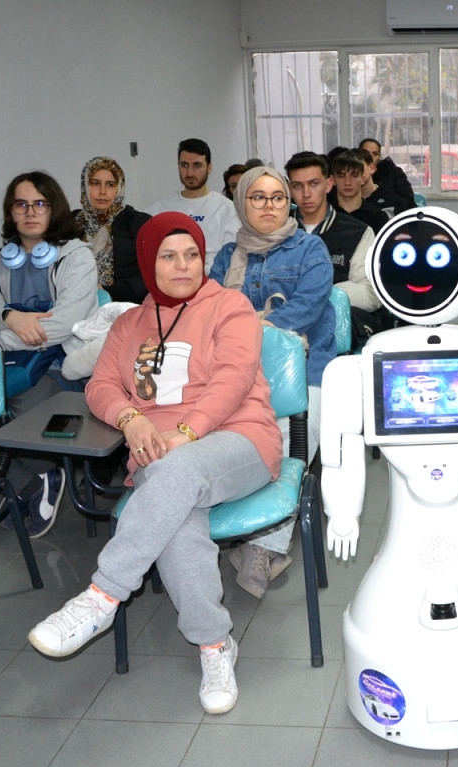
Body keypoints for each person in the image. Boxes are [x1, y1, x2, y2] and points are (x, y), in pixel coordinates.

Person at [27, 213, 281, 715]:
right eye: (168, 256)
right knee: (179, 522)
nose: (183, 266)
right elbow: (99, 386)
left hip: (238, 439)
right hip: (157, 454)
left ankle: (102, 596)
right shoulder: (128, 324)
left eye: (191, 255)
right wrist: (131, 420)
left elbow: (233, 378)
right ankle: (215, 645)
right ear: (148, 262)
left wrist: (185, 432)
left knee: (174, 473)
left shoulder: (230, 306)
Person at [211, 166, 334, 598]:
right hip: (239, 372)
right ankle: (239, 527)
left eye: (278, 198)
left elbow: (306, 309)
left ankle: (261, 545)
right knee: (223, 438)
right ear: (242, 203)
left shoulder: (310, 249)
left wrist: (245, 329)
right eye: (257, 198)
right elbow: (209, 314)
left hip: (304, 370)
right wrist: (248, 333)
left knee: (295, 437)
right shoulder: (228, 256)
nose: (269, 206)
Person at [0, 171, 98, 537]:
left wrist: (2, 337)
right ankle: (33, 479)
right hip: (5, 367)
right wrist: (8, 316)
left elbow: (65, 325)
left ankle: (37, 471)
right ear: (10, 212)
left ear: (54, 208)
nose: (30, 212)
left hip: (61, 366)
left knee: (26, 410)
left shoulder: (76, 257)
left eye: (40, 203)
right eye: (21, 204)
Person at [286, 151, 382, 341]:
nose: (306, 194)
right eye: (298, 186)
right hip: (287, 328)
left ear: (329, 184)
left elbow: (372, 294)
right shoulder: (279, 231)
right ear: (289, 188)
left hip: (336, 328)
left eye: (314, 184)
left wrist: (319, 295)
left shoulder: (359, 232)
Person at [144, 138, 240, 268]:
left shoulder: (227, 209)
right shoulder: (158, 210)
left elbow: (230, 259)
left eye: (197, 165)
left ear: (209, 168)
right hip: (170, 279)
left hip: (213, 280)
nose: (190, 173)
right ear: (178, 166)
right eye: (184, 165)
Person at [75, 156, 151, 304]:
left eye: (110, 185)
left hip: (127, 310)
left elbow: (153, 275)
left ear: (120, 187)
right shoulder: (71, 224)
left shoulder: (138, 223)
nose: (103, 191)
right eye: (95, 183)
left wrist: (109, 293)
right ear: (85, 186)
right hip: (78, 308)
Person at [331, 148, 387, 234]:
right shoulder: (325, 215)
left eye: (354, 175)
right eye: (341, 176)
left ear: (362, 179)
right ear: (333, 180)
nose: (347, 182)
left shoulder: (377, 217)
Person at [358, 138, 416, 215]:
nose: (370, 157)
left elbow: (407, 200)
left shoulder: (393, 172)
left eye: (375, 154)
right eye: (365, 153)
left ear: (379, 157)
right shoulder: (349, 175)